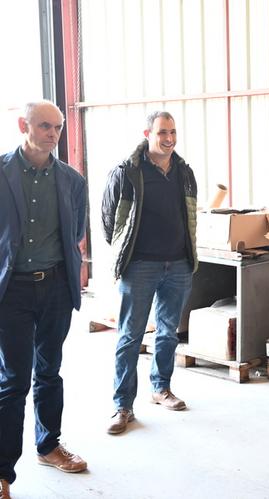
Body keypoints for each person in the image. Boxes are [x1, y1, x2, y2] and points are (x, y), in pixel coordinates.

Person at [0, 100, 88, 498]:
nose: (53, 134)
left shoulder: (71, 180)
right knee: (13, 381)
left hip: (54, 287)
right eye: (45, 126)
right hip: (11, 291)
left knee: (49, 372)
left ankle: (48, 445)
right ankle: (2, 472)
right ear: (24, 125)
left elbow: (77, 232)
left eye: (58, 127)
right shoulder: (2, 172)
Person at [102, 111, 198, 435]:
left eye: (173, 132)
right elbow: (108, 215)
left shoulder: (184, 172)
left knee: (168, 332)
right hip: (140, 265)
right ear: (147, 133)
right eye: (162, 132)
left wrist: (188, 256)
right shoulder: (129, 171)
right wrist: (122, 253)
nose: (169, 138)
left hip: (178, 265)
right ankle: (122, 406)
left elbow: (190, 217)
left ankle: (161, 388)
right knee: (130, 336)